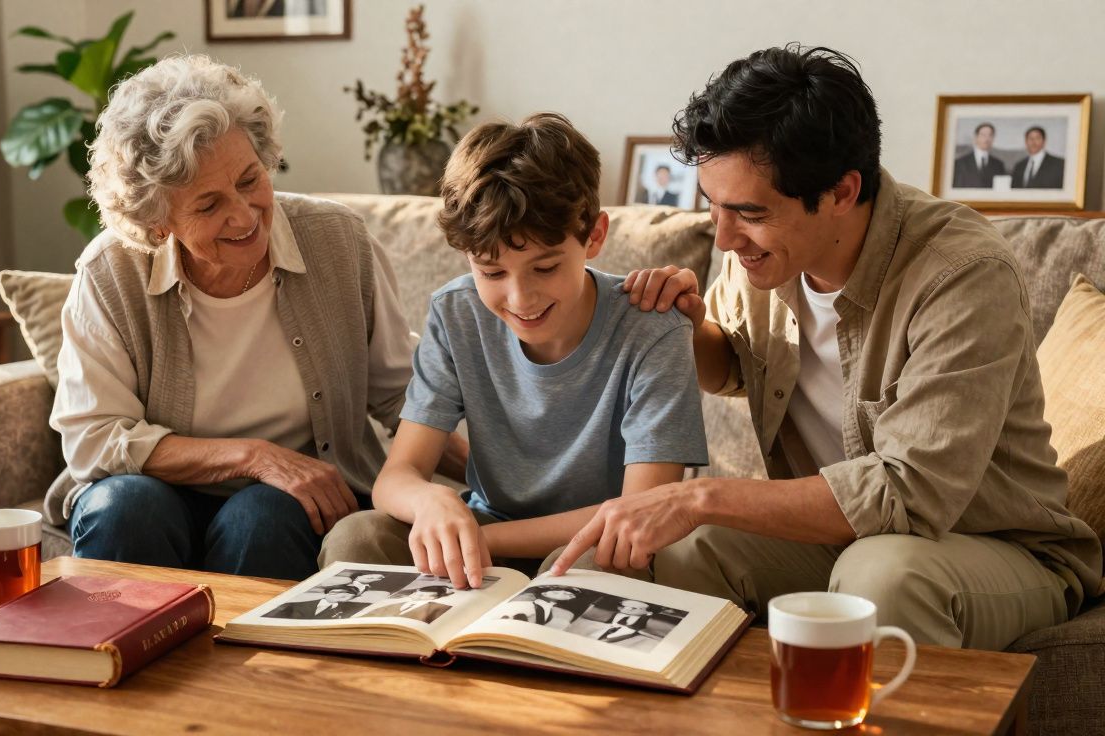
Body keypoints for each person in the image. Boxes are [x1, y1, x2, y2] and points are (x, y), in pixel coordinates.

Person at [550, 45, 1102, 651]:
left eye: (749, 212)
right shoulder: (761, 256)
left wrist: (700, 496)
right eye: (713, 205)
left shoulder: (962, 272)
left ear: (842, 192)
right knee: (675, 553)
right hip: (844, 537)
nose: (725, 236)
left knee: (882, 578)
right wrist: (687, 325)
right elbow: (735, 366)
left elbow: (909, 491)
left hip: (995, 545)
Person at [50, 54, 465, 582]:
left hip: (290, 501)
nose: (245, 216)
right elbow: (93, 438)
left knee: (260, 518)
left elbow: (404, 396)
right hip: (154, 495)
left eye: (250, 180)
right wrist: (253, 456)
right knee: (125, 508)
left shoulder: (338, 241)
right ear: (157, 224)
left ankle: (254, 666)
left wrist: (510, 480)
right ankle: (123, 657)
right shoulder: (110, 273)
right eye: (208, 205)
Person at [317, 113, 709, 588]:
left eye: (545, 268)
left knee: (585, 572)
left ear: (595, 236)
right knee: (357, 538)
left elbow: (641, 512)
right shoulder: (455, 314)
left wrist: (480, 541)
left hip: (596, 543)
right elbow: (396, 477)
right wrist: (431, 502)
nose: (521, 300)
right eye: (492, 272)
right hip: (481, 528)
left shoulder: (652, 328)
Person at [495, 585, 583, 627]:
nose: (561, 595)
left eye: (569, 595)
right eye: (555, 592)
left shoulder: (549, 609)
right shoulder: (525, 605)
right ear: (544, 593)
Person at [361, 584, 454, 623]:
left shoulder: (437, 609)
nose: (419, 597)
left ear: (436, 597)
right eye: (419, 595)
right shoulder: (391, 605)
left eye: (428, 596)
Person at [951, 122, 1005, 188]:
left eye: (990, 135)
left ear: (993, 139)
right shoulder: (960, 163)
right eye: (983, 135)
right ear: (976, 137)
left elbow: (1001, 191)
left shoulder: (999, 165)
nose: (987, 139)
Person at [265, 585, 365, 620]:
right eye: (341, 594)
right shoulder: (302, 600)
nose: (342, 597)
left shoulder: (341, 611)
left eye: (346, 597)